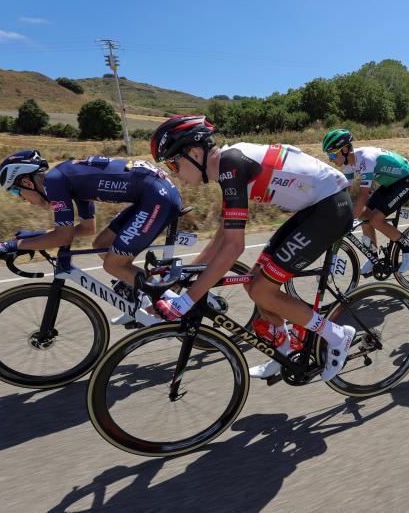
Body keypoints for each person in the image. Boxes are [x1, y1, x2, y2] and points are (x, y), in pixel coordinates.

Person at [149, 115, 355, 381]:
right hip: (315, 207)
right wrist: (181, 281)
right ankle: (284, 348)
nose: (175, 173)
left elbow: (234, 247)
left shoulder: (231, 165)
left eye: (173, 163)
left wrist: (188, 300)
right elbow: (224, 234)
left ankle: (336, 335)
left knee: (262, 289)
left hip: (331, 208)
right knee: (253, 285)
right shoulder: (228, 167)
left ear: (195, 153)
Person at [0, 150, 182, 290]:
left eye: (17, 191)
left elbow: (63, 236)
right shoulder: (65, 176)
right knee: (102, 244)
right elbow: (88, 228)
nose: (21, 198)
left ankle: (170, 303)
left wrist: (13, 245)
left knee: (114, 265)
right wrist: (36, 237)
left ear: (27, 182)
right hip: (154, 194)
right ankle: (145, 290)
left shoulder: (55, 182)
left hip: (157, 198)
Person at [321, 129, 409, 275]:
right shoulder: (349, 164)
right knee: (363, 214)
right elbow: (344, 193)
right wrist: (336, 210)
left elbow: (363, 195)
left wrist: (348, 219)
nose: (330, 159)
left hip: (405, 182)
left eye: (333, 154)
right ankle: (373, 256)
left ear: (346, 149)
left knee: (375, 219)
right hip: (390, 185)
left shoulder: (366, 158)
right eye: (329, 155)